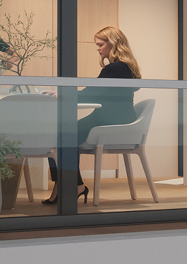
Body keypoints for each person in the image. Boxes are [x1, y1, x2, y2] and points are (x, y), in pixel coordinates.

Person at [44, 25, 141, 205]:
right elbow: (95, 92)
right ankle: (69, 185)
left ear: (113, 44)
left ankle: (73, 185)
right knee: (63, 134)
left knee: (62, 135)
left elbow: (92, 92)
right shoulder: (125, 67)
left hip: (109, 120)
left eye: (100, 44)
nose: (98, 48)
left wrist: (64, 94)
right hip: (118, 117)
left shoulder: (115, 68)